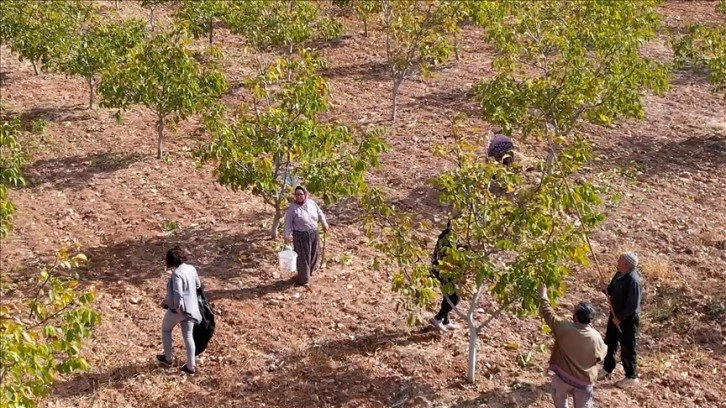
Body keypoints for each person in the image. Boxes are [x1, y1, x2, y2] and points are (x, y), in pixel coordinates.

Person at [538, 284, 607, 408]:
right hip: (584, 382)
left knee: (559, 396)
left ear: (575, 317)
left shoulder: (564, 328)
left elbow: (548, 314)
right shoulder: (596, 337)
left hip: (563, 377)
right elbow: (600, 357)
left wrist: (543, 295)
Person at [598, 251, 644, 388]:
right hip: (615, 315)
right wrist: (605, 289)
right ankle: (607, 368)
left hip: (627, 320)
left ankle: (631, 376)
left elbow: (633, 305)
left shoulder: (633, 281)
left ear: (625, 263)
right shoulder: (619, 275)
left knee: (627, 348)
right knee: (609, 343)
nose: (617, 262)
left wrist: (620, 318)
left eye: (619, 260)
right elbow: (611, 291)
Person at [157, 245, 202, 374]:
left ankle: (168, 358)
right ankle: (191, 366)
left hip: (179, 310)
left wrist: (176, 307)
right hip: (191, 310)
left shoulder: (177, 274)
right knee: (188, 336)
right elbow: (198, 285)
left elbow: (178, 292)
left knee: (166, 329)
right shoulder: (191, 269)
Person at [283, 185, 329, 286]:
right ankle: (303, 279)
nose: (299, 196)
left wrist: (324, 223)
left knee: (314, 254)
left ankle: (309, 273)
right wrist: (287, 235)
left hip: (313, 232)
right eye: (297, 194)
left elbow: (320, 213)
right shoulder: (293, 208)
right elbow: (288, 223)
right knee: (303, 258)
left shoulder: (312, 203)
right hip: (300, 235)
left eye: (301, 194)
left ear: (305, 194)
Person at [429, 221, 466, 331]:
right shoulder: (448, 237)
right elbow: (448, 255)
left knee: (447, 296)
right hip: (444, 270)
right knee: (454, 298)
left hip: (446, 270)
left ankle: (445, 321)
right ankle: (437, 318)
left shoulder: (452, 236)